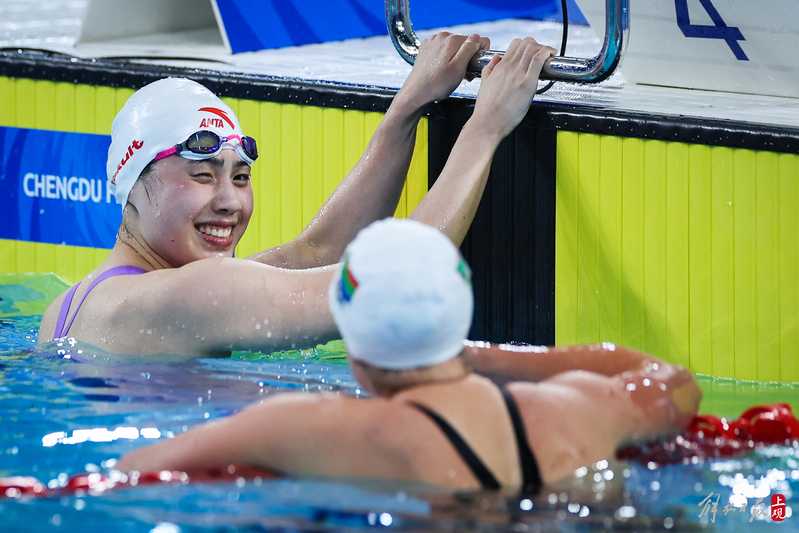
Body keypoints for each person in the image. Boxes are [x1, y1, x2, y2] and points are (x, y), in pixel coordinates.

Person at [37, 34, 556, 356]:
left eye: (240, 177)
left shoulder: (78, 302)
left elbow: (317, 253)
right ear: (133, 184)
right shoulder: (183, 296)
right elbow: (394, 280)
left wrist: (407, 108)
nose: (229, 202)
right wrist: (487, 126)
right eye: (202, 175)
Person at [118, 219, 702, 493]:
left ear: (355, 350)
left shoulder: (314, 425)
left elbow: (132, 472)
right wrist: (493, 360)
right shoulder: (582, 408)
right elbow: (674, 384)